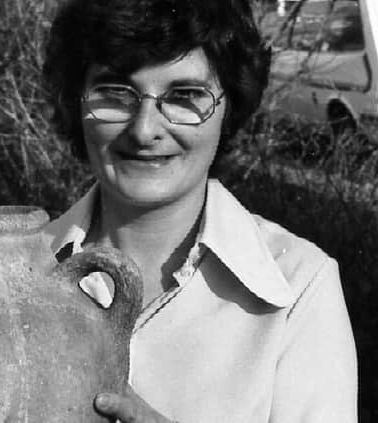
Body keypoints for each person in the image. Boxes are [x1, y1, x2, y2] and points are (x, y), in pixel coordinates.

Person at [41, 0, 358, 422]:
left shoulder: (299, 287)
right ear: (76, 103)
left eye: (186, 96)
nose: (145, 129)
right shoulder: (16, 274)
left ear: (230, 107)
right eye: (116, 92)